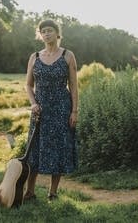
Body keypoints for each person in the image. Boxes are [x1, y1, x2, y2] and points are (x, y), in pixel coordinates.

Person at [24, 19, 79, 201]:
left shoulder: (68, 56)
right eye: (43, 31)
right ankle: (30, 192)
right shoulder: (35, 57)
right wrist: (33, 103)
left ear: (57, 33)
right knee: (34, 151)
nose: (46, 34)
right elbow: (28, 85)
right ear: (40, 35)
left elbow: (73, 85)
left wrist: (74, 111)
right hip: (40, 112)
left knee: (58, 150)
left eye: (50, 30)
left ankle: (52, 192)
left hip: (62, 109)